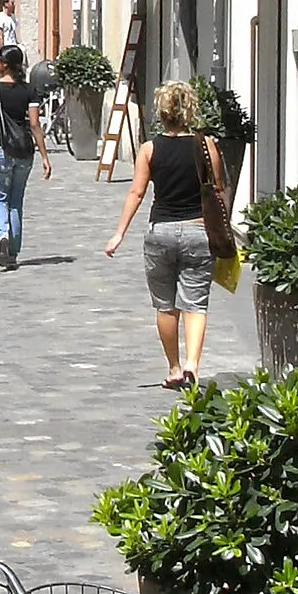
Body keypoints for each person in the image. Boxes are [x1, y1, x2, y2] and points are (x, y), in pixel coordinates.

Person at [103, 79, 223, 387]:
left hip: (160, 233)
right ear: (190, 109)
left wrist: (119, 233)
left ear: (162, 111)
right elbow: (218, 191)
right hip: (198, 231)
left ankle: (173, 367)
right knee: (195, 304)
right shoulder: (206, 145)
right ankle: (193, 365)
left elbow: (137, 192)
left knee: (165, 305)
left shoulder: (149, 149)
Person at [0, 41, 51, 269]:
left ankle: (2, 234)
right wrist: (44, 156)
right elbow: (34, 124)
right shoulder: (29, 89)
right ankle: (12, 253)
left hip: (0, 147)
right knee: (16, 200)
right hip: (24, 150)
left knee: (0, 197)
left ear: (4, 65)